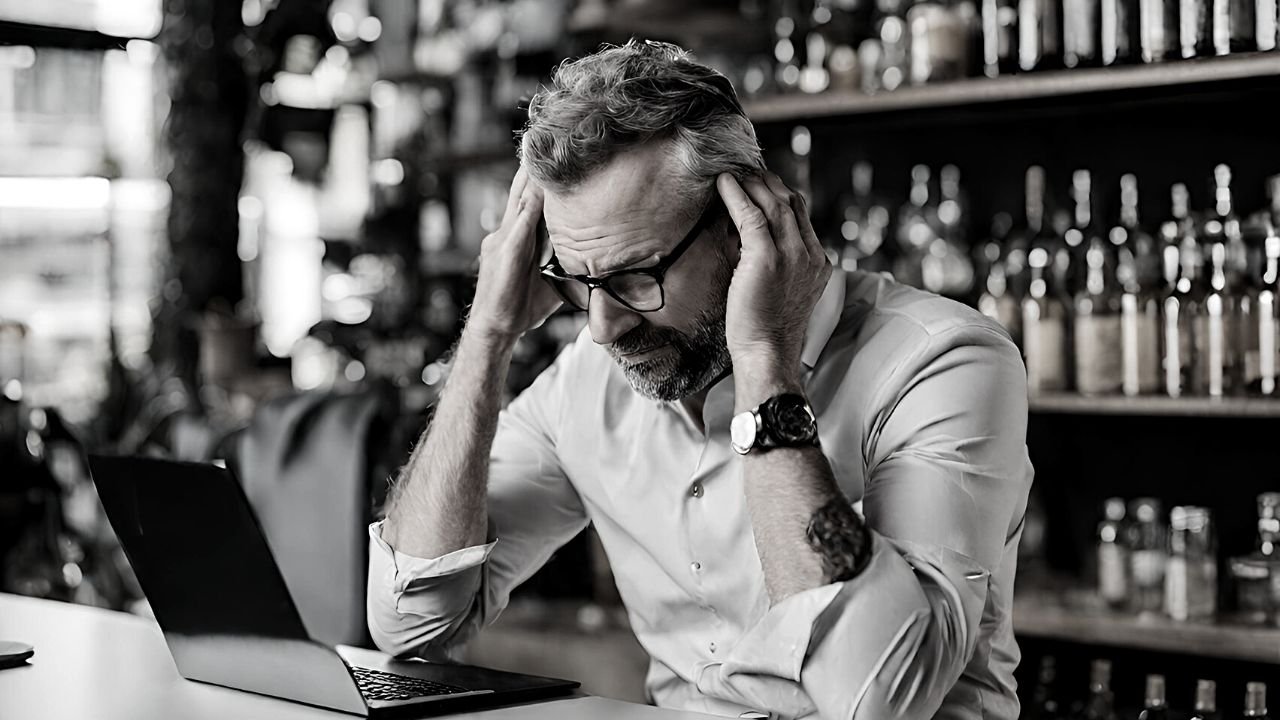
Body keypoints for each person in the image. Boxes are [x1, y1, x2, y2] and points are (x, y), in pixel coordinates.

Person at [367, 40, 1032, 720]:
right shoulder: (585, 385)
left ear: (746, 227)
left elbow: (877, 701)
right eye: (576, 281)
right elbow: (411, 624)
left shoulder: (943, 363)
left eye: (634, 276)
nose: (602, 327)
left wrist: (764, 364)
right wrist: (487, 335)